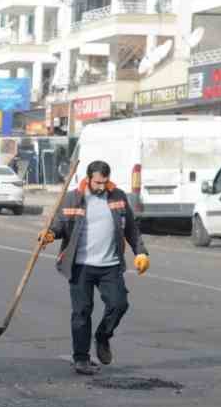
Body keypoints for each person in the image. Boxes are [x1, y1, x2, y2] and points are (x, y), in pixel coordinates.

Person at [39, 160, 149, 376]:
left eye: (105, 182)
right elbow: (60, 224)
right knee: (81, 311)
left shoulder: (117, 196)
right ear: (88, 179)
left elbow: (131, 229)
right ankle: (81, 358)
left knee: (119, 304)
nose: (101, 187)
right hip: (80, 266)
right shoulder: (73, 198)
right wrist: (50, 234)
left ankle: (102, 336)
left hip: (110, 265)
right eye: (98, 182)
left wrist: (141, 252)